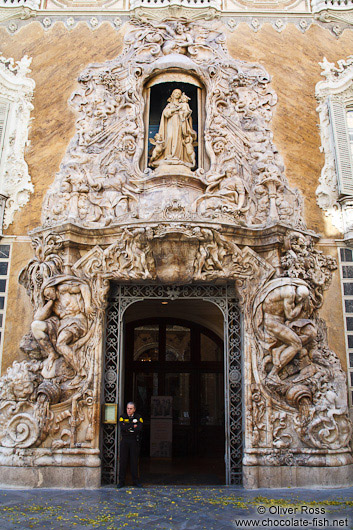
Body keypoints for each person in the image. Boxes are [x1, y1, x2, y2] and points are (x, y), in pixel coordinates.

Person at [117, 402, 143, 488]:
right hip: (125, 441)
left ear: (134, 409)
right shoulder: (122, 417)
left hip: (134, 441)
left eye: (131, 409)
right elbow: (122, 427)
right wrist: (132, 427)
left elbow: (139, 428)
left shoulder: (138, 417)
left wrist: (128, 427)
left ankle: (135, 481)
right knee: (123, 461)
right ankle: (121, 481)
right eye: (128, 408)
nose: (129, 410)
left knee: (134, 462)